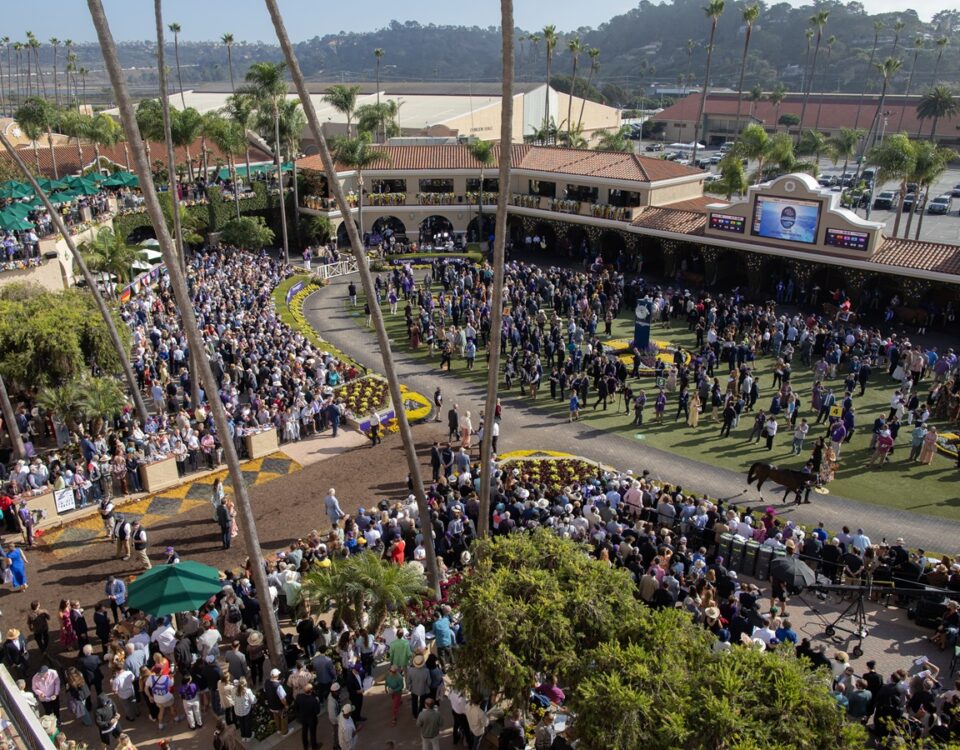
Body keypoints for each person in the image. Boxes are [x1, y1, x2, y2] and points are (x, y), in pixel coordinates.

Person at [295, 681, 322, 750]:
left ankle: (305, 746)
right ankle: (314, 746)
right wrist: (318, 702)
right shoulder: (314, 700)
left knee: (304, 732)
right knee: (312, 733)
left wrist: (299, 715)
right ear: (311, 691)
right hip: (312, 719)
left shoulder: (299, 697)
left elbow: (296, 707)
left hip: (303, 718)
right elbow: (317, 711)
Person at [264, 667, 289, 736]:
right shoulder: (278, 686)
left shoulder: (266, 682)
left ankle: (279, 729)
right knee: (283, 718)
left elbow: (266, 691)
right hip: (279, 706)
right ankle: (284, 732)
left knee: (276, 718)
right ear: (277, 676)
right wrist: (286, 705)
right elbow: (282, 698)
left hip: (272, 705)